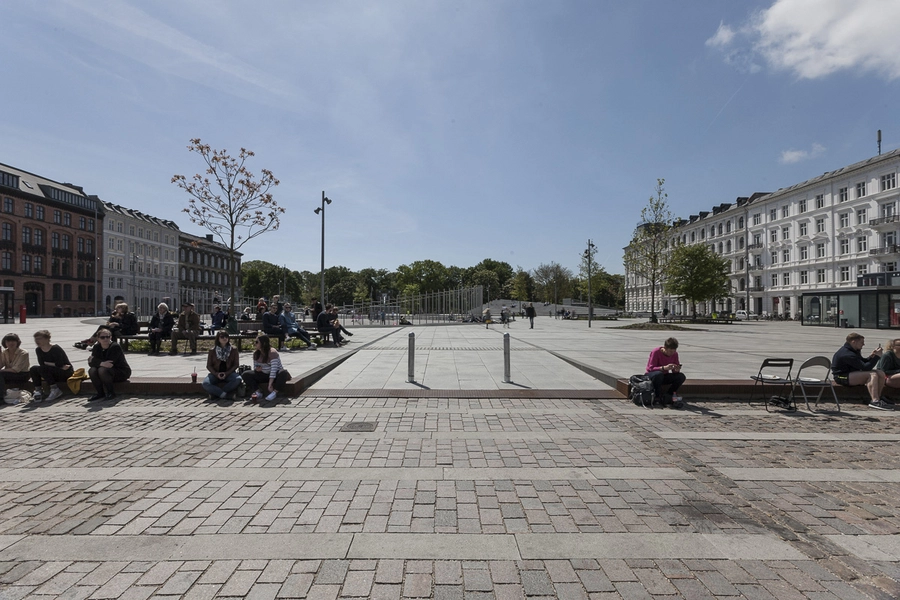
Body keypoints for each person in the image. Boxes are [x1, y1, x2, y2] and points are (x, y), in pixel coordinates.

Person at [833, 332, 890, 410]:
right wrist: (877, 357)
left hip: (851, 373)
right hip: (841, 376)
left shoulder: (853, 350)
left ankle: (878, 397)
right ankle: (875, 401)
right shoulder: (847, 354)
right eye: (862, 342)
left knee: (880, 373)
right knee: (872, 375)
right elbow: (865, 368)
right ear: (854, 342)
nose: (863, 344)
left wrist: (871, 357)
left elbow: (861, 362)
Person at [87, 325, 131, 401]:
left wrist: (97, 361)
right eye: (102, 337)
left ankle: (111, 392)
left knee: (102, 370)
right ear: (98, 339)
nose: (105, 339)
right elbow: (91, 363)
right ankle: (100, 393)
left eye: (107, 337)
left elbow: (110, 364)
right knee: (92, 370)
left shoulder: (115, 347)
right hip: (106, 372)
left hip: (120, 372)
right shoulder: (97, 347)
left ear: (110, 337)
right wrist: (101, 363)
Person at [241, 334, 290, 402]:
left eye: (257, 342)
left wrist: (270, 384)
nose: (255, 344)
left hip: (275, 376)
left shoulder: (272, 352)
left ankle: (275, 392)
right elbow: (255, 366)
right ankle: (258, 392)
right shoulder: (256, 354)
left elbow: (274, 369)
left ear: (263, 343)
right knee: (245, 374)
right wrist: (257, 369)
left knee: (283, 373)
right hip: (263, 374)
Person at [29, 330, 73, 403]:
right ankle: (38, 390)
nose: (37, 341)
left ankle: (55, 389)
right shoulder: (38, 350)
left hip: (64, 372)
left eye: (39, 339)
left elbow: (60, 364)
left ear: (47, 339)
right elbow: (41, 363)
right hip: (51, 371)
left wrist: (48, 363)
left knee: (42, 368)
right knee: (33, 369)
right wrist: (53, 364)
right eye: (36, 339)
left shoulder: (55, 348)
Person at [645, 337, 685, 409]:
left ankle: (669, 395)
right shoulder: (656, 352)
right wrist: (663, 368)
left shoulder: (675, 354)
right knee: (659, 374)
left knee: (681, 376)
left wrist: (676, 369)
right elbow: (650, 368)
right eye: (670, 351)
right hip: (652, 375)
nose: (671, 353)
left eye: (673, 351)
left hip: (664, 375)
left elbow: (674, 371)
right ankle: (657, 397)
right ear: (665, 348)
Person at [202, 331, 241, 400]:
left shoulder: (234, 350)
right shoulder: (212, 351)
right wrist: (216, 374)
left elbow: (236, 364)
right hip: (215, 373)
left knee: (238, 379)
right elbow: (209, 365)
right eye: (222, 337)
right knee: (205, 383)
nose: (224, 338)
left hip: (229, 373)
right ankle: (225, 395)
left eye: (226, 336)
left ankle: (217, 394)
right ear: (218, 339)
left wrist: (227, 373)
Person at [0, 333, 30, 399]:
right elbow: (1, 364)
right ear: (5, 343)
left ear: (17, 342)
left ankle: (1, 398)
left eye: (13, 341)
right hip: (8, 374)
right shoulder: (5, 352)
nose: (11, 343)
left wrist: (2, 370)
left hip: (22, 374)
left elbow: (16, 369)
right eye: (8, 341)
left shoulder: (23, 353)